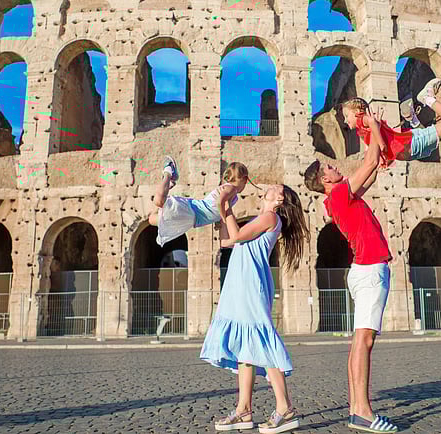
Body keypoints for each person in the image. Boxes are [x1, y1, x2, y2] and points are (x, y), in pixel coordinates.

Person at [303, 108, 400, 433]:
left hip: (367, 269)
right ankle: (362, 411)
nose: (334, 165)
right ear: (325, 180)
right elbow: (369, 164)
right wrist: (372, 128)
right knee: (363, 341)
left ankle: (359, 408)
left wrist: (380, 147)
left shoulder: (342, 197)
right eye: (328, 166)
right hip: (370, 269)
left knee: (362, 341)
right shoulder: (340, 194)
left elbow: (372, 171)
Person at [200, 184, 311, 434]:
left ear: (279, 199)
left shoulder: (270, 217)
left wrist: (223, 205)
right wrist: (224, 209)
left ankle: (285, 409)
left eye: (275, 187)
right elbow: (227, 241)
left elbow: (237, 236)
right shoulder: (262, 219)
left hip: (250, 283)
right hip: (240, 282)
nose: (269, 186)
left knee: (260, 343)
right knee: (246, 348)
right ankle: (243, 410)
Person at [339, 77, 441, 167]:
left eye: (346, 115)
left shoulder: (362, 120)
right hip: (411, 148)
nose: (345, 120)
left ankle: (427, 98)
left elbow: (372, 122)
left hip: (412, 143)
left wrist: (382, 146)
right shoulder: (362, 131)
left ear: (357, 111)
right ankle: (414, 119)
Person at [148, 157, 249, 246]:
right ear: (244, 179)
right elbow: (219, 202)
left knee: (151, 219)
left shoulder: (232, 196)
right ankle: (168, 172)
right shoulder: (231, 188)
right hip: (191, 210)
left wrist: (219, 218)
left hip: (191, 219)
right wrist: (223, 218)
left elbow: (224, 241)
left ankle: (168, 186)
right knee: (159, 201)